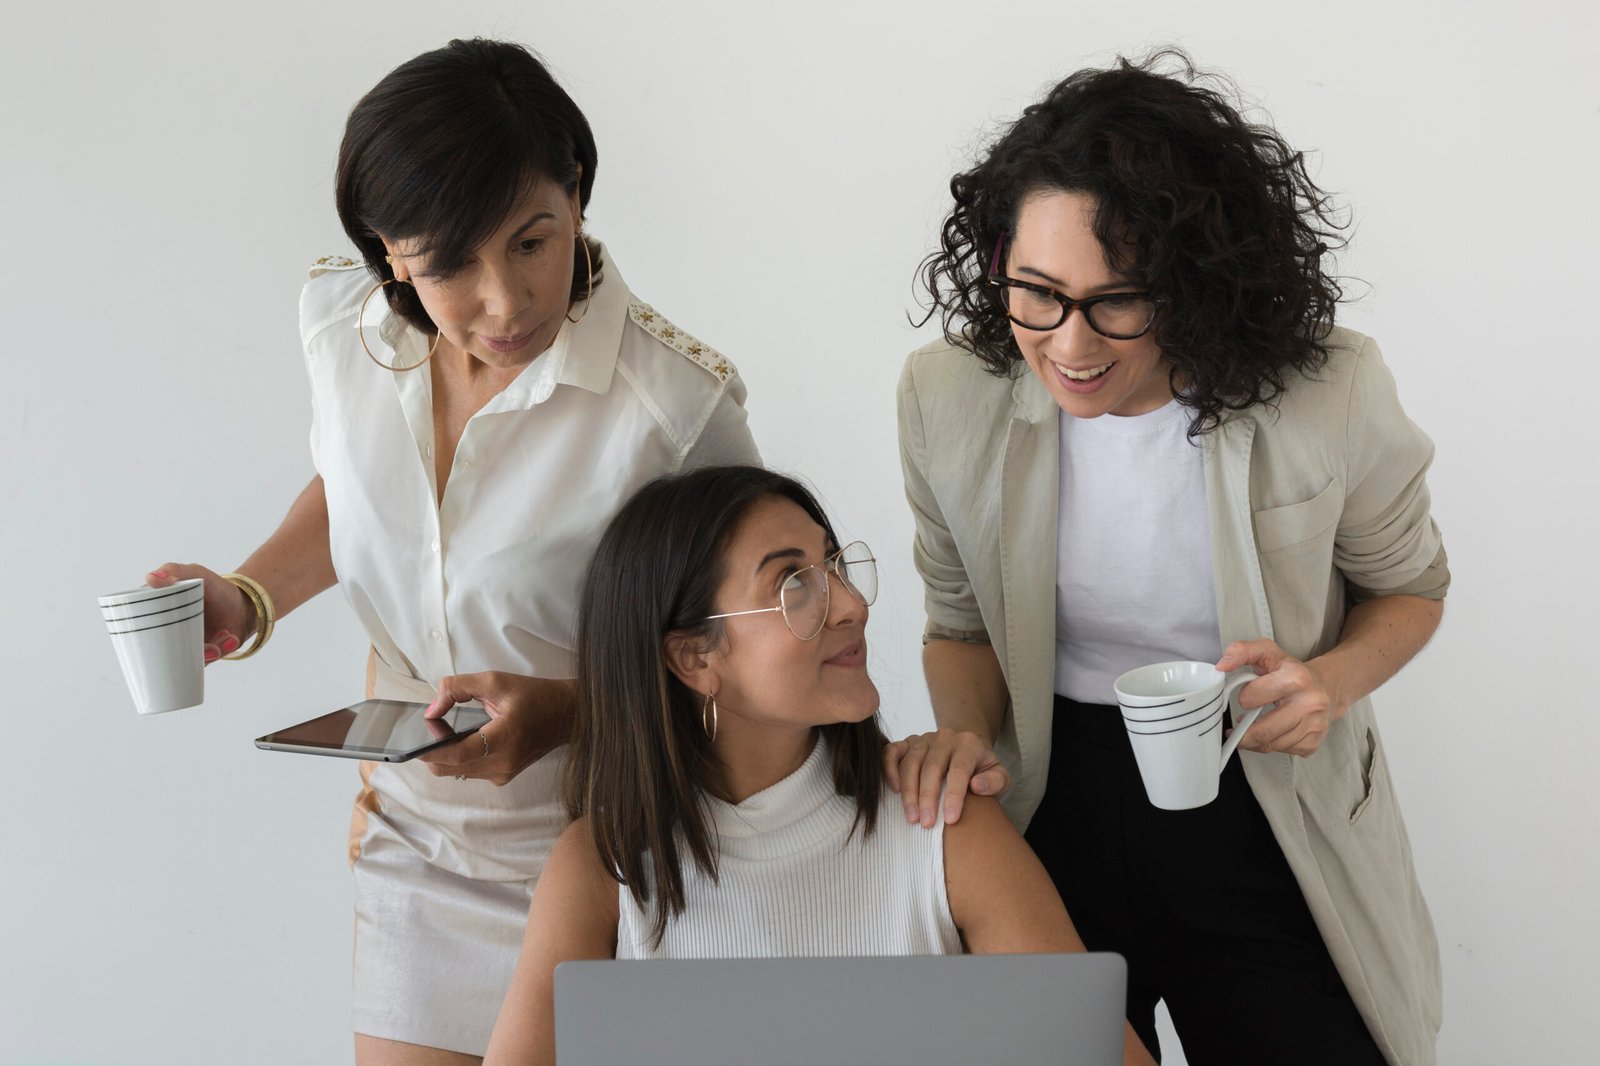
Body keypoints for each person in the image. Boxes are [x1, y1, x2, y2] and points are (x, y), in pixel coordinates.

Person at [144, 39, 759, 1064]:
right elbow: (358, 486)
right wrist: (249, 595)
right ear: (389, 253)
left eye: (532, 241)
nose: (505, 301)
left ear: (577, 198)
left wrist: (565, 707)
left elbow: (745, 656)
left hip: (619, 846)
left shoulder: (676, 408)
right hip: (416, 843)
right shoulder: (340, 328)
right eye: (447, 264)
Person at [890, 51, 1447, 1066]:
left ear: (1195, 282)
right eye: (1037, 294)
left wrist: (1324, 683)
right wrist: (966, 735)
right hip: (1051, 792)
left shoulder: (1327, 392)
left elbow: (1409, 588)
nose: (1069, 343)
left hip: (1263, 787)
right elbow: (957, 624)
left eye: (1118, 301)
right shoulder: (946, 398)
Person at [482, 465, 1155, 1066]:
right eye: (793, 584)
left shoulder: (945, 825)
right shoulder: (603, 866)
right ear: (694, 658)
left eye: (833, 566)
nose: (853, 605)